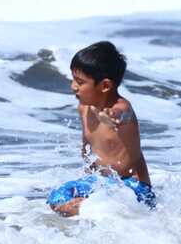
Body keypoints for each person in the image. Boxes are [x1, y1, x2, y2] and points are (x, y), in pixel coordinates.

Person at [47, 41, 155, 216]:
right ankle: (80, 209)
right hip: (101, 183)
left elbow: (122, 115)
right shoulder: (84, 108)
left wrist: (112, 117)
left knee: (103, 203)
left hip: (134, 188)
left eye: (80, 82)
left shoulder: (122, 108)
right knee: (57, 196)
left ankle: (85, 208)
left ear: (105, 86)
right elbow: (87, 147)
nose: (73, 86)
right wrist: (87, 177)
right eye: (73, 79)